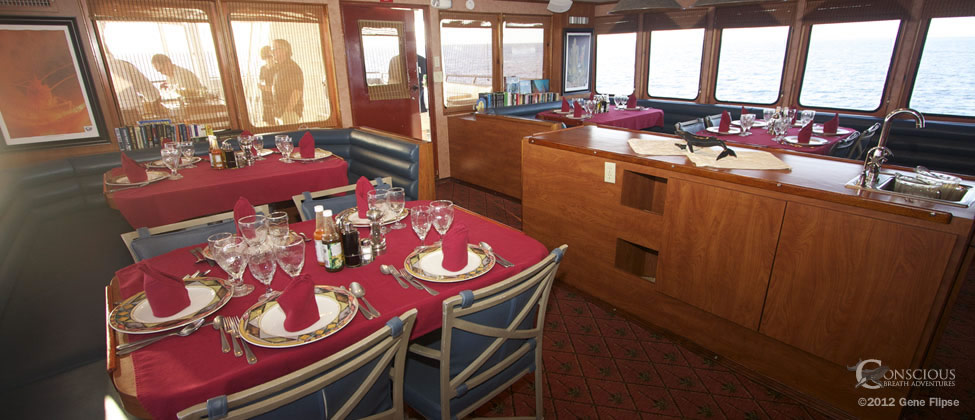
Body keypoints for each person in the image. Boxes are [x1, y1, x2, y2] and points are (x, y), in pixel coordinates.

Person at [106, 52, 165, 122]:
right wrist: (156, 99)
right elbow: (146, 87)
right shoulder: (122, 65)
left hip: (107, 115)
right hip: (128, 113)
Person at [270, 39, 303, 124]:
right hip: (279, 113)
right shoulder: (279, 68)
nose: (272, 52)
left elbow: (297, 91)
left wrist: (287, 112)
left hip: (288, 114)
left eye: (274, 49)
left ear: (284, 50)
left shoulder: (292, 67)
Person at [258, 45, 276, 125]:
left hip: (276, 98)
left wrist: (267, 88)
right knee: (269, 122)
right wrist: (261, 86)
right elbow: (261, 80)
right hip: (266, 98)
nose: (269, 59)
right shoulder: (263, 68)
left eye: (270, 56)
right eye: (267, 57)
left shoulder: (278, 67)